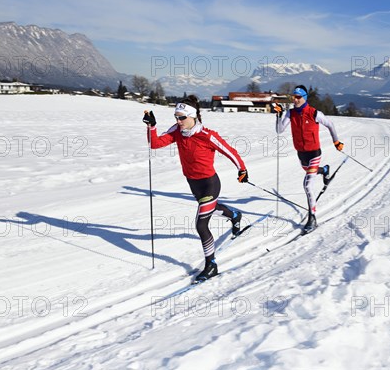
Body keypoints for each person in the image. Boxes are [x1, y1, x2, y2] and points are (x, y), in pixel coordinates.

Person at [143, 95, 249, 282]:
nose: (178, 121)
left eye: (182, 117)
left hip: (210, 183)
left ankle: (211, 265)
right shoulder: (177, 131)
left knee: (201, 224)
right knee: (212, 209)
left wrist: (242, 169)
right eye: (176, 116)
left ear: (193, 117)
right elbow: (155, 144)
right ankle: (235, 216)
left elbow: (229, 151)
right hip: (193, 184)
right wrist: (152, 127)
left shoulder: (207, 135)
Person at [274, 85, 344, 234]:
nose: (295, 99)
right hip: (301, 154)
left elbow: (330, 124)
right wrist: (278, 115)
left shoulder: (314, 113)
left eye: (298, 97)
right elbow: (279, 131)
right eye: (294, 96)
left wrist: (336, 141)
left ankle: (312, 218)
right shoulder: (290, 113)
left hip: (314, 153)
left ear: (304, 98)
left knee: (307, 184)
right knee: (307, 171)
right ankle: (324, 170)